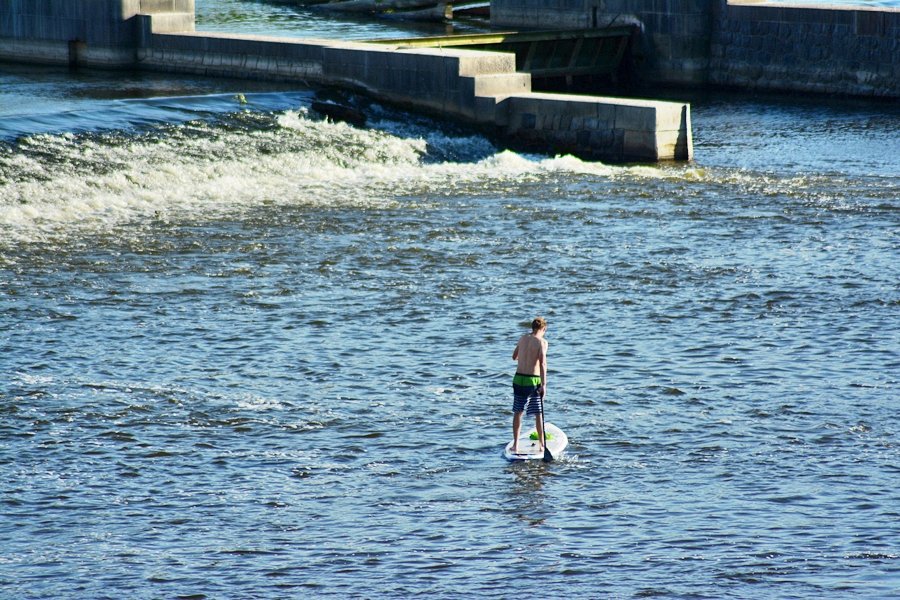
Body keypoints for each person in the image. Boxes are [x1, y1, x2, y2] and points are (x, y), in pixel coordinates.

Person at [511, 316, 548, 454]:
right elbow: (543, 364)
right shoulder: (542, 342)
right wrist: (543, 385)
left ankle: (515, 445)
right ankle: (542, 445)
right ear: (543, 329)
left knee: (518, 412)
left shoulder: (522, 338)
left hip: (518, 379)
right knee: (538, 412)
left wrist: (525, 356)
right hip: (532, 381)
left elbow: (514, 357)